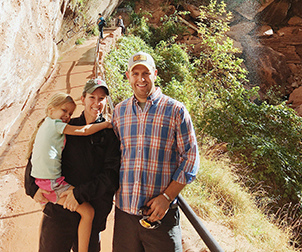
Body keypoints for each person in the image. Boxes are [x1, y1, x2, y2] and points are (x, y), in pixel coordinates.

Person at [111, 52, 199, 252]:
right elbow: (112, 156)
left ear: (155, 74)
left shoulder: (175, 110)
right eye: (135, 73)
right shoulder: (119, 112)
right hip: (124, 213)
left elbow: (191, 157)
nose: (140, 79)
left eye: (146, 73)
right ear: (128, 76)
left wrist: (167, 198)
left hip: (160, 215)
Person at [25, 79, 121, 252]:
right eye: (92, 97)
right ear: (83, 99)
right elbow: (38, 154)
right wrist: (32, 188)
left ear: (106, 101)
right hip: (59, 214)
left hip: (93, 213)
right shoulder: (67, 126)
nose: (96, 103)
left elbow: (111, 176)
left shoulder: (110, 136)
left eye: (101, 98)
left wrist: (78, 194)